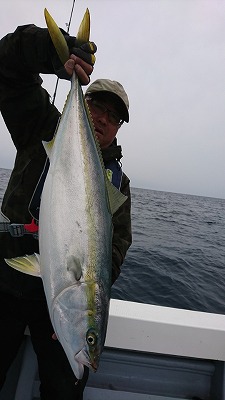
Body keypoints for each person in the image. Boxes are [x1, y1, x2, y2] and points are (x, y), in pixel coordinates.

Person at [0, 22, 132, 400]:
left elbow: (115, 251)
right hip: (6, 279)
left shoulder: (117, 186)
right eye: (96, 105)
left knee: (65, 389)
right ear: (83, 102)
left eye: (114, 115)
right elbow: (6, 67)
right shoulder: (41, 128)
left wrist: (72, 314)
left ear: (119, 127)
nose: (103, 118)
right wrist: (52, 53)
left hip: (58, 306)